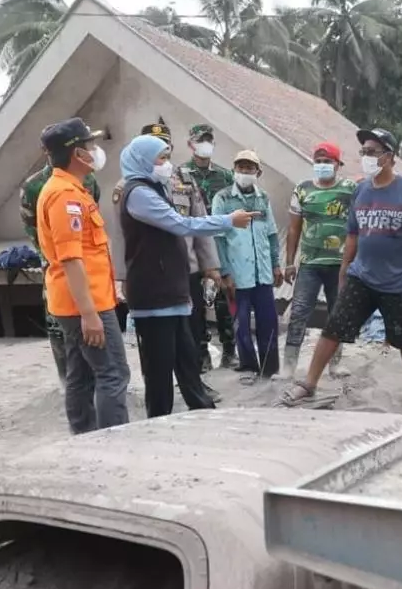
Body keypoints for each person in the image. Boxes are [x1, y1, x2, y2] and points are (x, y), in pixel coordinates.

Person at [278, 128, 402, 407]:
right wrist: (344, 270)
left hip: (398, 282)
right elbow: (352, 235)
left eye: (372, 152)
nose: (365, 157)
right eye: (363, 152)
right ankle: (309, 384)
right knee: (333, 328)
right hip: (361, 277)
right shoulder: (361, 191)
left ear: (389, 157)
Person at [118, 135, 256, 418]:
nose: (167, 165)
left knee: (187, 359)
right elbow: (180, 224)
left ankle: (203, 413)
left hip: (173, 290)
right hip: (154, 295)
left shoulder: (157, 188)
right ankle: (158, 422)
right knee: (159, 370)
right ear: (143, 161)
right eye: (161, 158)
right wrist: (228, 221)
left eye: (168, 157)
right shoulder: (137, 193)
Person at [112, 119, 224, 404]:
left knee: (191, 337)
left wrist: (210, 266)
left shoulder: (184, 179)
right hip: (153, 279)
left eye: (166, 150)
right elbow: (124, 237)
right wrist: (122, 276)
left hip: (187, 270)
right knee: (161, 354)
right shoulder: (130, 188)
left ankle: (197, 390)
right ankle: (164, 407)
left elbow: (198, 218)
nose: (165, 158)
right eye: (158, 152)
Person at [36, 118, 131, 433]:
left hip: (80, 301)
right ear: (78, 154)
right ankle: (115, 443)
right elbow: (72, 259)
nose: (96, 150)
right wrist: (90, 314)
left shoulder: (69, 188)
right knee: (113, 373)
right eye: (90, 145)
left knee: (81, 373)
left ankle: (84, 437)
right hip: (84, 305)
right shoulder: (65, 196)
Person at [20, 132, 102, 388]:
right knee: (61, 326)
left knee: (90, 334)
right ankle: (67, 378)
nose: (94, 150)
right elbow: (33, 228)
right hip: (59, 265)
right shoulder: (36, 187)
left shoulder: (88, 180)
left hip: (86, 265)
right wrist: (53, 257)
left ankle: (84, 381)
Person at [281, 142, 356, 379]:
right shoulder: (302, 190)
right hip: (310, 264)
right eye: (319, 161)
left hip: (340, 265)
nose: (323, 165)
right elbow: (294, 229)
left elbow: (358, 227)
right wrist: (290, 262)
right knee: (299, 312)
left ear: (338, 165)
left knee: (338, 313)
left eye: (328, 161)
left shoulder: (350, 190)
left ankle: (335, 363)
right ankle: (289, 366)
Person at [212, 150, 283, 378]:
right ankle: (249, 366)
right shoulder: (223, 199)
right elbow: (218, 238)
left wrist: (275, 264)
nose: (244, 172)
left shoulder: (263, 198)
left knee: (268, 321)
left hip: (262, 272)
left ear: (258, 172)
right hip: (237, 272)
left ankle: (270, 368)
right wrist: (225, 272)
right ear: (234, 170)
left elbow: (272, 234)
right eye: (240, 167)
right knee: (241, 323)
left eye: (249, 168)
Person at [180, 123, 237, 369]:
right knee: (197, 302)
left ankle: (229, 350)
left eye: (208, 140)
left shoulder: (224, 176)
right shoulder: (180, 174)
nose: (205, 145)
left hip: (220, 242)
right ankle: (201, 353)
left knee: (224, 297)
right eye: (200, 140)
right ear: (190, 144)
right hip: (192, 243)